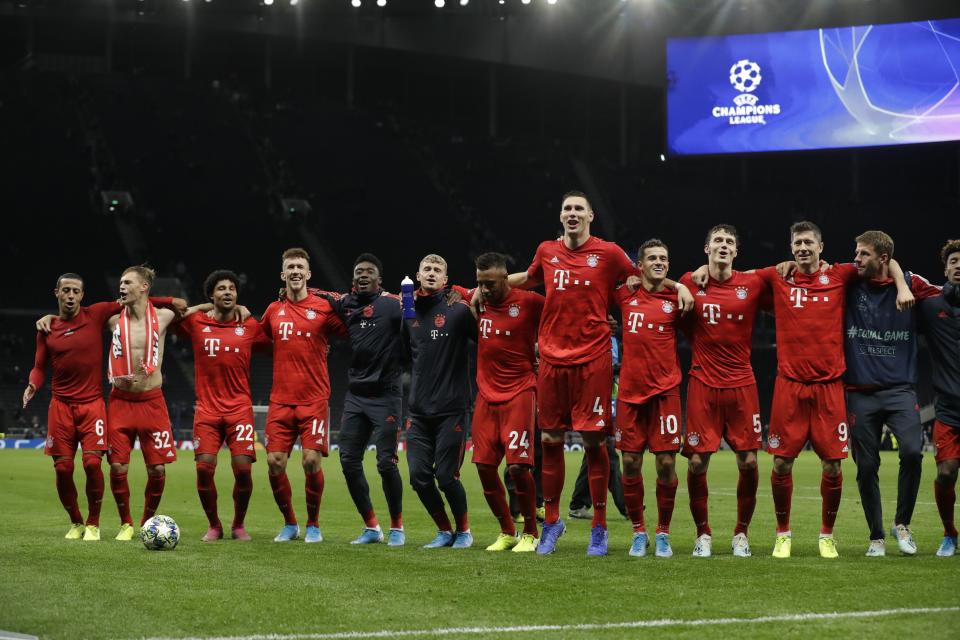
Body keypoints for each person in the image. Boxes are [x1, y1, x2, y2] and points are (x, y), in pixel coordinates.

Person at [506, 190, 693, 555]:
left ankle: (600, 526)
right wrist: (486, 287)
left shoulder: (608, 253)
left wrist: (680, 284)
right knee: (549, 442)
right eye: (567, 209)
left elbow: (647, 277)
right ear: (561, 216)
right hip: (552, 361)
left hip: (593, 360)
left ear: (590, 215)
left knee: (594, 443)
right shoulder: (546, 250)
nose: (572, 213)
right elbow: (528, 279)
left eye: (579, 208)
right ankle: (554, 522)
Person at [753, 221, 911, 558]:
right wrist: (689, 281)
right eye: (797, 243)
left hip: (829, 387)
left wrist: (901, 286)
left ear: (821, 247)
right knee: (781, 464)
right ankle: (783, 533)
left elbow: (887, 259)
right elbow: (734, 279)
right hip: (790, 386)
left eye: (809, 242)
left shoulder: (840, 274)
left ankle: (827, 535)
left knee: (833, 466)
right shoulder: (778, 276)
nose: (803, 248)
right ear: (791, 247)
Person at [26, 276, 184, 541]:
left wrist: (174, 301)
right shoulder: (77, 323)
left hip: (130, 401)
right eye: (66, 290)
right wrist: (32, 384)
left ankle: (125, 523)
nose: (71, 295)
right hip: (102, 402)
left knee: (141, 468)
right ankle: (95, 522)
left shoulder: (112, 315)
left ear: (82, 294)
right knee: (83, 468)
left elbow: (169, 308)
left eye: (76, 291)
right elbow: (40, 365)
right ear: (57, 293)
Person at [844, 231, 940, 557]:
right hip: (860, 391)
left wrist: (902, 284)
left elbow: (946, 294)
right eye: (855, 253)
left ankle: (902, 524)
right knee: (866, 466)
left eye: (863, 254)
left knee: (913, 452)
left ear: (882, 259)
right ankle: (876, 537)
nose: (856, 259)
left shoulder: (912, 283)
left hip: (900, 390)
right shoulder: (849, 282)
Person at [679, 224, 772, 558]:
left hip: (742, 384)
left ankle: (741, 534)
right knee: (696, 464)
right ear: (706, 249)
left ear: (736, 252)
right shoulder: (689, 281)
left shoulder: (752, 283)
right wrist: (686, 280)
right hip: (703, 382)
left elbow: (783, 279)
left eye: (729, 242)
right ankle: (702, 534)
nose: (723, 245)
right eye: (717, 240)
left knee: (748, 461)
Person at [315, 253, 406, 546]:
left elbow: (420, 309)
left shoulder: (394, 304)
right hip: (356, 396)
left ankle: (397, 528)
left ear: (379, 280)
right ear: (353, 280)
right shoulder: (347, 303)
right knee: (348, 461)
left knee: (386, 464)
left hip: (386, 395)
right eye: (358, 272)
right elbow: (323, 295)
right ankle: (371, 527)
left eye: (369, 271)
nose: (363, 275)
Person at [259, 248, 347, 543]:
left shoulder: (322, 308)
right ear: (283, 275)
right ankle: (289, 523)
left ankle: (313, 525)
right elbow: (258, 340)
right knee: (274, 462)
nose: (295, 271)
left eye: (300, 266)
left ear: (308, 274)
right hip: (280, 400)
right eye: (290, 267)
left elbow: (351, 331)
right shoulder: (273, 311)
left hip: (314, 400)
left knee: (311, 461)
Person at [178, 269, 270, 542]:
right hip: (206, 410)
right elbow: (172, 314)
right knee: (204, 468)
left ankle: (238, 524)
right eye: (221, 288)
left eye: (232, 288)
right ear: (211, 295)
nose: (228, 292)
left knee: (243, 470)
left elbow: (278, 343)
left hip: (239, 410)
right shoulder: (197, 323)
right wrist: (204, 306)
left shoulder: (249, 326)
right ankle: (214, 525)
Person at [614, 239, 685, 557]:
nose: (659, 262)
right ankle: (639, 531)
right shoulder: (623, 294)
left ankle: (663, 533)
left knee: (667, 463)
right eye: (653, 258)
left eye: (664, 258)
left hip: (665, 392)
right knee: (630, 462)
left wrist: (680, 285)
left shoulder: (678, 298)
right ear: (639, 265)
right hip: (630, 393)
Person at [402, 254, 477, 548]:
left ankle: (465, 531)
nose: (431, 273)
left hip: (452, 409)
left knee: (446, 477)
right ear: (418, 276)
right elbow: (401, 351)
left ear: (446, 280)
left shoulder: (457, 309)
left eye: (437, 270)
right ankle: (445, 531)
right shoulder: (407, 312)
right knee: (419, 477)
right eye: (427, 269)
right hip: (418, 411)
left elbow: (486, 339)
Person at [471, 252, 543, 553]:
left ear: (505, 278)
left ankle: (531, 532)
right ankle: (507, 531)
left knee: (518, 468)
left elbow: (564, 312)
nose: (485, 290)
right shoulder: (477, 300)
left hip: (520, 392)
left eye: (490, 283)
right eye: (480, 284)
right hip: (486, 395)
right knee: (485, 468)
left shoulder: (530, 303)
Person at [106, 265, 181, 541]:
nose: (121, 287)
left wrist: (171, 300)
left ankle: (146, 521)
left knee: (158, 469)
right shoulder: (113, 320)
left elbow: (197, 312)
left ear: (144, 287)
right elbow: (79, 314)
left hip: (152, 401)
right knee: (117, 466)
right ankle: (125, 524)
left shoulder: (164, 317)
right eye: (121, 283)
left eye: (127, 283)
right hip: (120, 402)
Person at [917, 239, 960, 557]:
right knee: (946, 472)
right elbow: (899, 279)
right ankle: (949, 534)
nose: (959, 266)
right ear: (945, 269)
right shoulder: (931, 306)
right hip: (948, 407)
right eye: (954, 261)